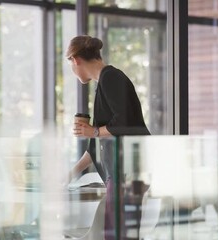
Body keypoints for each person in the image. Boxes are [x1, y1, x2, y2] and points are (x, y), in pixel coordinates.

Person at [66, 35, 150, 240]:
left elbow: (123, 123)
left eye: (70, 64)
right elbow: (97, 146)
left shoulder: (111, 77)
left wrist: (93, 131)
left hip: (128, 172)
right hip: (122, 173)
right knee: (115, 231)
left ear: (75, 60)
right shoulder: (103, 82)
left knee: (119, 233)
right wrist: (71, 173)